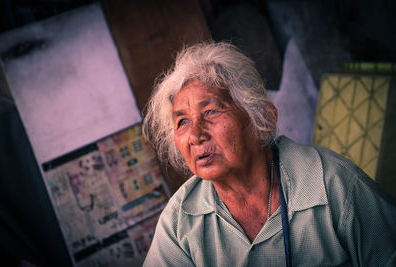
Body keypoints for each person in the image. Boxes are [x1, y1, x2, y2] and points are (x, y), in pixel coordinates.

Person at [142, 42, 396, 266]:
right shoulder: (179, 223)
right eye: (182, 122)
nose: (196, 135)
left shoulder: (331, 183)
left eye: (211, 112)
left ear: (261, 119)